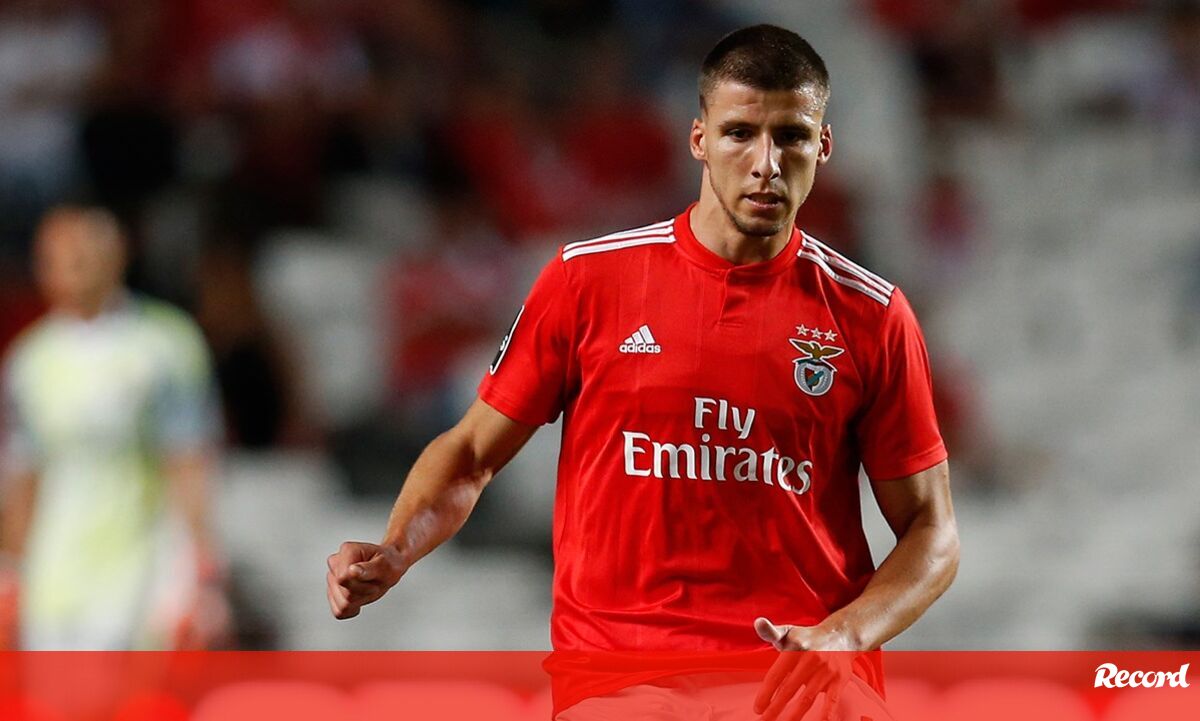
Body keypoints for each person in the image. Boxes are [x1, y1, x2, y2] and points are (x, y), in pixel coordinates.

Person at [327, 24, 959, 720]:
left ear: (824, 146)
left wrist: (846, 633)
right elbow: (473, 451)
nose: (766, 163)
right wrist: (395, 549)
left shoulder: (871, 316)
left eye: (791, 137)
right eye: (740, 133)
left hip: (799, 687)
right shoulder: (588, 281)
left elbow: (932, 531)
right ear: (699, 140)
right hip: (623, 684)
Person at [0, 206, 229, 650]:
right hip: (56, 577)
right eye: (58, 256)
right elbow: (24, 474)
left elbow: (187, 460)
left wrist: (203, 570)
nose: (72, 265)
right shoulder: (29, 360)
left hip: (142, 572)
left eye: (84, 253)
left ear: (117, 255)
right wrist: (11, 570)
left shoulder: (166, 343)